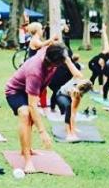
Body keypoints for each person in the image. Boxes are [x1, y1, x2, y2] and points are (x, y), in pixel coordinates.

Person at [4, 44, 78, 172]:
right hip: (15, 91)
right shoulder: (36, 72)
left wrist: (69, 61)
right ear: (55, 63)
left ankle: (27, 149)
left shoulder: (50, 51)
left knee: (32, 118)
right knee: (26, 114)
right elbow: (32, 106)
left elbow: (78, 75)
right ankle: (27, 161)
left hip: (29, 88)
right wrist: (42, 132)